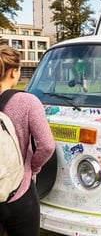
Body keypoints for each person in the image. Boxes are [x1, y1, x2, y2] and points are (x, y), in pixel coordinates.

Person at [0, 46, 55, 236]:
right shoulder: (27, 102)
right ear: (14, 72)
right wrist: (34, 166)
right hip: (19, 193)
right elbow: (47, 145)